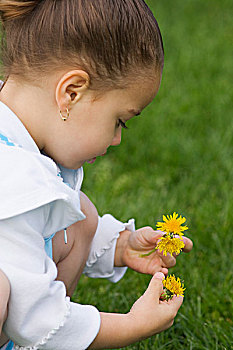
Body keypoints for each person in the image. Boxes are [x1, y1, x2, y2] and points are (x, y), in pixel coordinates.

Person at [0, 0, 193, 349]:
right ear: (71, 92)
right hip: (25, 313)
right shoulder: (12, 178)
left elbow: (38, 230)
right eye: (119, 121)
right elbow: (34, 316)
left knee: (80, 214)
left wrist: (119, 245)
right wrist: (132, 325)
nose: (117, 139)